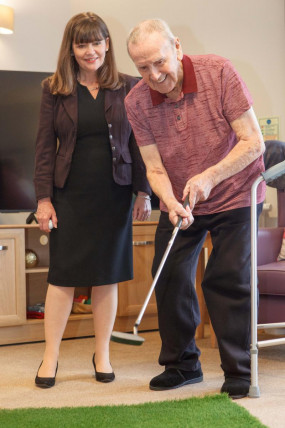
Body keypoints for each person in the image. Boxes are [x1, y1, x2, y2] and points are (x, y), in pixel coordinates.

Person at [124, 19, 265, 399]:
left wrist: (209, 177)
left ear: (177, 47)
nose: (154, 75)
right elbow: (153, 167)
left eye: (159, 62)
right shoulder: (136, 101)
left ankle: (238, 369)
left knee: (226, 277)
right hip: (183, 199)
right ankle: (182, 365)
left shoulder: (218, 72)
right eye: (142, 67)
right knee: (167, 272)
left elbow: (254, 143)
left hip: (235, 191)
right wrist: (169, 202)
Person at [34, 12, 151, 388]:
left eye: (96, 41)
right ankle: (50, 356)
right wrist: (43, 199)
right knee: (62, 277)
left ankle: (102, 352)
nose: (91, 50)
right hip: (69, 194)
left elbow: (139, 143)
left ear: (107, 44)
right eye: (82, 43)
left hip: (114, 193)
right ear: (71, 48)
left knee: (106, 277)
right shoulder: (54, 88)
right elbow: (44, 150)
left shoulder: (129, 86)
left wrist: (143, 191)